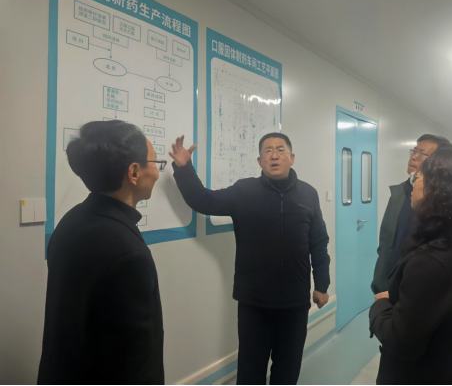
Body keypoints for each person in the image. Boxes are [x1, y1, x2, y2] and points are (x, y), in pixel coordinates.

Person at [169, 133, 331, 386]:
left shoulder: (308, 194)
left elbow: (318, 242)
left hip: (295, 301)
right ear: (259, 161)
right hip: (254, 302)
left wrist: (322, 284)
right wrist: (184, 168)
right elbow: (204, 200)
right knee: (250, 371)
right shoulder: (244, 191)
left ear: (292, 158)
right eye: (268, 151)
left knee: (287, 370)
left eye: (280, 150)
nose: (274, 155)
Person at [38, 121, 167, 385]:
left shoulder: (71, 221)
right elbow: (136, 363)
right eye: (155, 162)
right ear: (134, 172)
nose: (156, 172)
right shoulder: (129, 253)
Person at [370, 148, 452, 385]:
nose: (413, 184)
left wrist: (380, 305)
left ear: (439, 190)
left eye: (419, 177)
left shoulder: (430, 262)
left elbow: (401, 341)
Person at [371, 134, 452, 295]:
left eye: (422, 154)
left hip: (416, 288)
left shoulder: (442, 203)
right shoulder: (399, 193)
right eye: (414, 151)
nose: (414, 157)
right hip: (385, 283)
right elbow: (386, 239)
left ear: (438, 163)